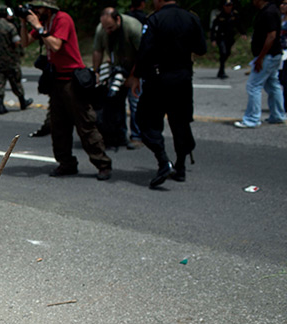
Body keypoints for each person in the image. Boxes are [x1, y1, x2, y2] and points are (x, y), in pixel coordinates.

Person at [20, 1, 113, 181]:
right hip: (56, 81)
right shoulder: (44, 23)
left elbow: (56, 45)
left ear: (48, 8)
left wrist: (38, 26)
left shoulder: (62, 19)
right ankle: (66, 163)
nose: (36, 12)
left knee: (85, 124)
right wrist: (25, 23)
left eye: (38, 8)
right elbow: (24, 43)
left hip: (72, 80)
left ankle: (102, 163)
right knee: (58, 126)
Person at [132, 0, 206, 188]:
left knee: (144, 120)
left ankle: (163, 160)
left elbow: (145, 51)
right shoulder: (191, 18)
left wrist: (136, 76)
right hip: (183, 78)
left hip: (158, 79)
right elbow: (201, 49)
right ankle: (180, 166)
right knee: (180, 122)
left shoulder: (154, 20)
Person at [92, 7, 142, 149]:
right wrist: (96, 71)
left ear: (118, 20)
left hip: (135, 67)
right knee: (116, 102)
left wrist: (134, 76)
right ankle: (119, 135)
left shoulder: (133, 27)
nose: (108, 30)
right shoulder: (101, 30)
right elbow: (97, 50)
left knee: (135, 102)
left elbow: (142, 53)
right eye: (105, 28)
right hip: (117, 67)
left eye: (111, 27)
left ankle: (137, 136)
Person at [235, 0, 286, 128]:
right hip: (273, 54)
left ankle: (252, 119)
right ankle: (278, 115)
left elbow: (271, 36)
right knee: (273, 84)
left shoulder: (268, 12)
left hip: (268, 56)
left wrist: (260, 58)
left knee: (253, 86)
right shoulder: (271, 10)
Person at [0, 5, 33, 114]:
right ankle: (22, 102)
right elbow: (17, 42)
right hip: (11, 59)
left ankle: (1, 105)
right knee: (16, 82)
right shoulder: (10, 27)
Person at [211, 0, 246, 79]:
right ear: (224, 6)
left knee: (227, 53)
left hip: (230, 37)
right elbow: (213, 28)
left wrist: (243, 33)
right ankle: (221, 70)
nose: (229, 7)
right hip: (221, 37)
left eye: (230, 5)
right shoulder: (219, 15)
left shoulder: (234, 14)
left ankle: (221, 69)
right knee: (223, 52)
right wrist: (213, 39)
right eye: (227, 6)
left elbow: (239, 25)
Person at [280, 0, 287, 112]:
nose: (282, 5)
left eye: (286, 3)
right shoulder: (280, 17)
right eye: (282, 3)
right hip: (281, 52)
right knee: (281, 78)